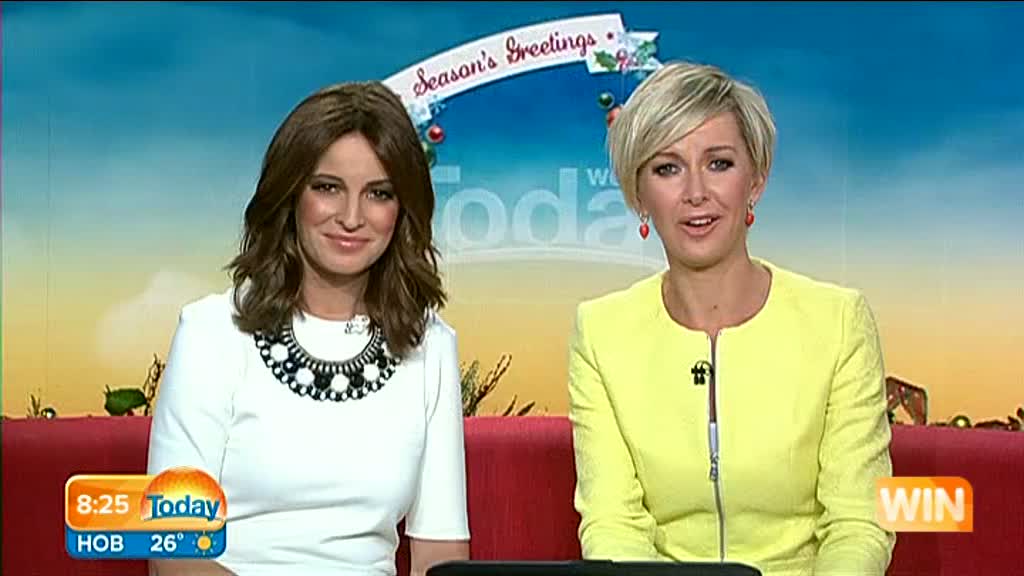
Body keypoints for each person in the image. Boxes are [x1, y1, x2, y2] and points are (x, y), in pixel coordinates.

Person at [567, 61, 895, 576]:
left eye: (718, 163)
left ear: (755, 181)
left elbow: (858, 524)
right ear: (639, 196)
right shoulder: (601, 333)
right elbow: (613, 524)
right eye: (667, 168)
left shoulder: (838, 323)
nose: (696, 192)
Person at [147, 81, 470, 576]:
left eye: (379, 194)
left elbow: (439, 555)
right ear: (290, 194)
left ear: (402, 209)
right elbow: (174, 554)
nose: (351, 218)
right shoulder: (211, 332)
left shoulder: (430, 345)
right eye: (327, 188)